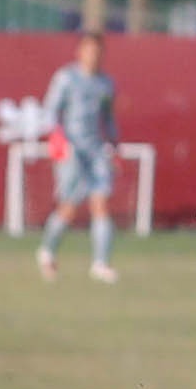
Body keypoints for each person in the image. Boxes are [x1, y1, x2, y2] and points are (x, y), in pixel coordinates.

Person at [36, 30, 123, 285]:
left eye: (98, 51)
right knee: (69, 207)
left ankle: (101, 264)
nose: (93, 56)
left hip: (96, 150)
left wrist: (114, 146)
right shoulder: (66, 78)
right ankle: (47, 251)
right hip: (71, 150)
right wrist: (60, 142)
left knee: (101, 203)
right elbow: (51, 112)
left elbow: (108, 118)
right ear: (79, 52)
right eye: (88, 50)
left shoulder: (106, 83)